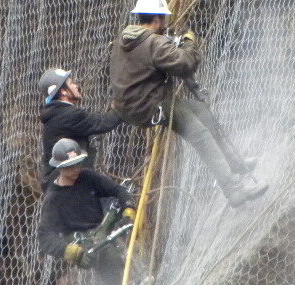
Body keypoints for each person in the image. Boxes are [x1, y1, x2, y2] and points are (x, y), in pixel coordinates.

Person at [110, 0, 267, 207]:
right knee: (200, 135)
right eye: (165, 17)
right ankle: (234, 190)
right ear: (158, 18)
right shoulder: (154, 43)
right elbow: (184, 64)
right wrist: (188, 42)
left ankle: (235, 163)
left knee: (201, 112)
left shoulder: (124, 38)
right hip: (150, 106)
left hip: (132, 105)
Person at [38, 138, 135, 285]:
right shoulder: (53, 198)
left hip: (104, 227)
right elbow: (45, 237)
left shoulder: (87, 177)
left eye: (78, 163)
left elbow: (117, 190)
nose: (76, 169)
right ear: (60, 167)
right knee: (112, 270)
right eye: (70, 166)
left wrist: (129, 208)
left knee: (130, 261)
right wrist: (69, 251)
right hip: (82, 242)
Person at [38, 68, 123, 179]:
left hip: (59, 180)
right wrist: (122, 107)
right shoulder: (69, 115)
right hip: (69, 185)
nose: (76, 86)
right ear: (63, 91)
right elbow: (104, 122)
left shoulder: (56, 113)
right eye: (71, 83)